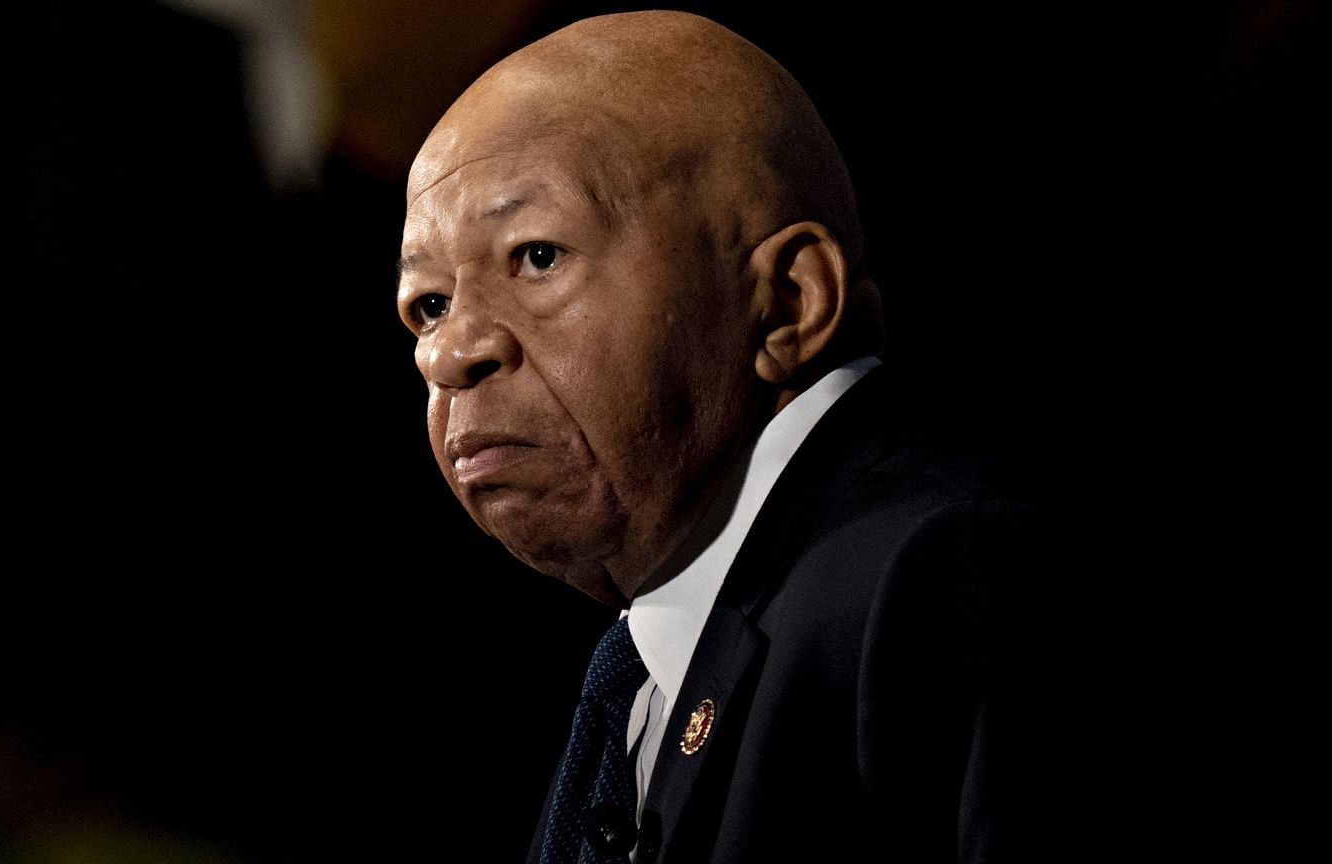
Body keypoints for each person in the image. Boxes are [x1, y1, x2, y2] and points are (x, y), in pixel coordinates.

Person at [395, 11, 1070, 863]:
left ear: (790, 301)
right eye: (430, 305)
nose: (449, 352)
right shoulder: (646, 676)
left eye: (537, 255)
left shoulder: (948, 574)